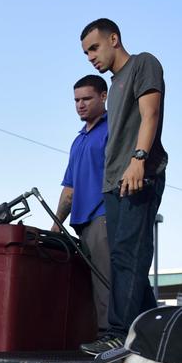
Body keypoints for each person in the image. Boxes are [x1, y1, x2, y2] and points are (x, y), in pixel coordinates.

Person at [78, 18, 168, 355]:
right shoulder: (114, 85)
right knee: (122, 261)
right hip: (113, 182)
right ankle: (155, 332)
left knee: (131, 255)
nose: (90, 57)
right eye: (86, 53)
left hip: (137, 175)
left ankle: (120, 333)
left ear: (113, 39)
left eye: (94, 48)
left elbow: (151, 114)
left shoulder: (143, 63)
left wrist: (139, 158)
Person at [53, 73, 112, 335]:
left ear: (103, 96)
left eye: (87, 98)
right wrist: (55, 227)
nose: (80, 104)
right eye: (76, 100)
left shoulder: (112, 130)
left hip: (104, 217)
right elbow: (69, 190)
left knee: (105, 283)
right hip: (80, 225)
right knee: (87, 286)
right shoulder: (78, 141)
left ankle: (110, 338)